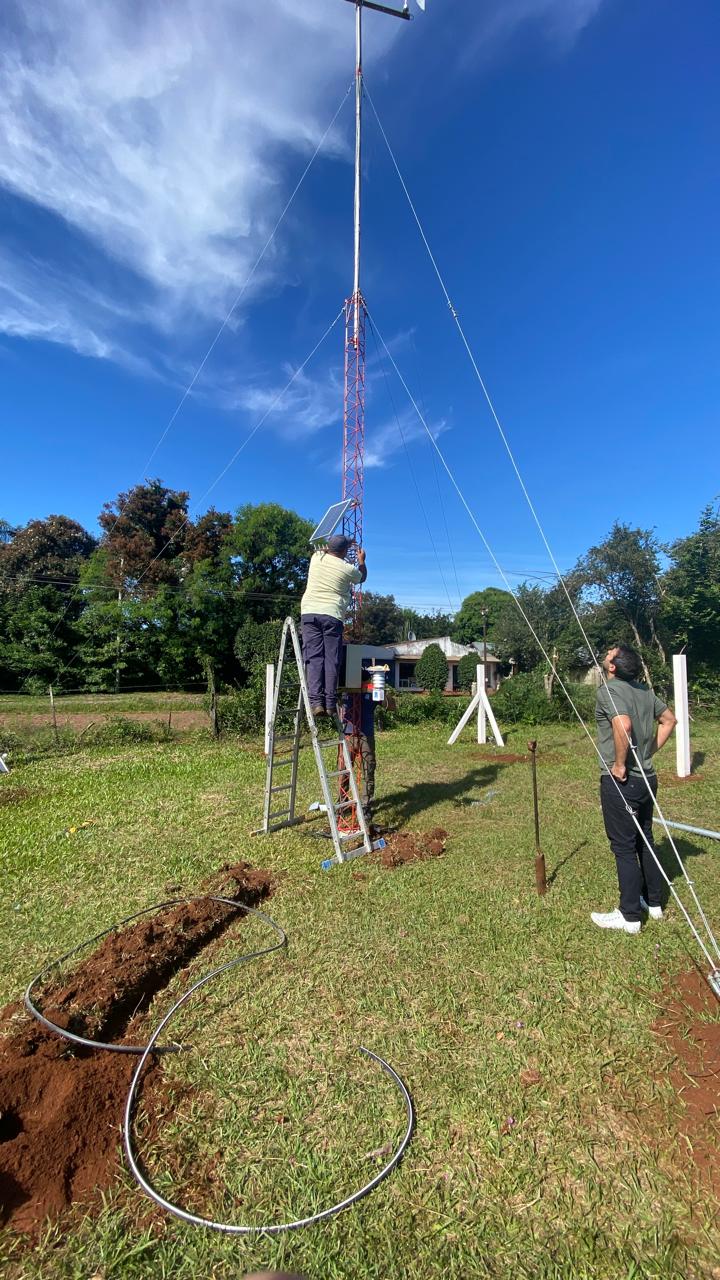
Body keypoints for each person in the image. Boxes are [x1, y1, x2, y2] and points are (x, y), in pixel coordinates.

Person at [591, 643, 677, 935]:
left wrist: (619, 764)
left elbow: (623, 726)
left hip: (622, 781)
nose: (607, 654)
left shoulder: (609, 690)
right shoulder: (645, 691)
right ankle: (653, 903)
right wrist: (648, 753)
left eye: (611, 653)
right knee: (646, 839)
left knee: (624, 847)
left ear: (613, 666)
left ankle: (629, 916)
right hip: (648, 779)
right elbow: (670, 720)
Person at [300, 534, 367, 719]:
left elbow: (322, 549)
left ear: (328, 548)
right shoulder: (347, 569)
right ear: (345, 551)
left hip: (309, 613)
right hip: (332, 615)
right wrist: (361, 560)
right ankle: (330, 705)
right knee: (332, 659)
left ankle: (316, 704)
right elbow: (362, 577)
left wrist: (339, 545)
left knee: (314, 658)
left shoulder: (316, 558)